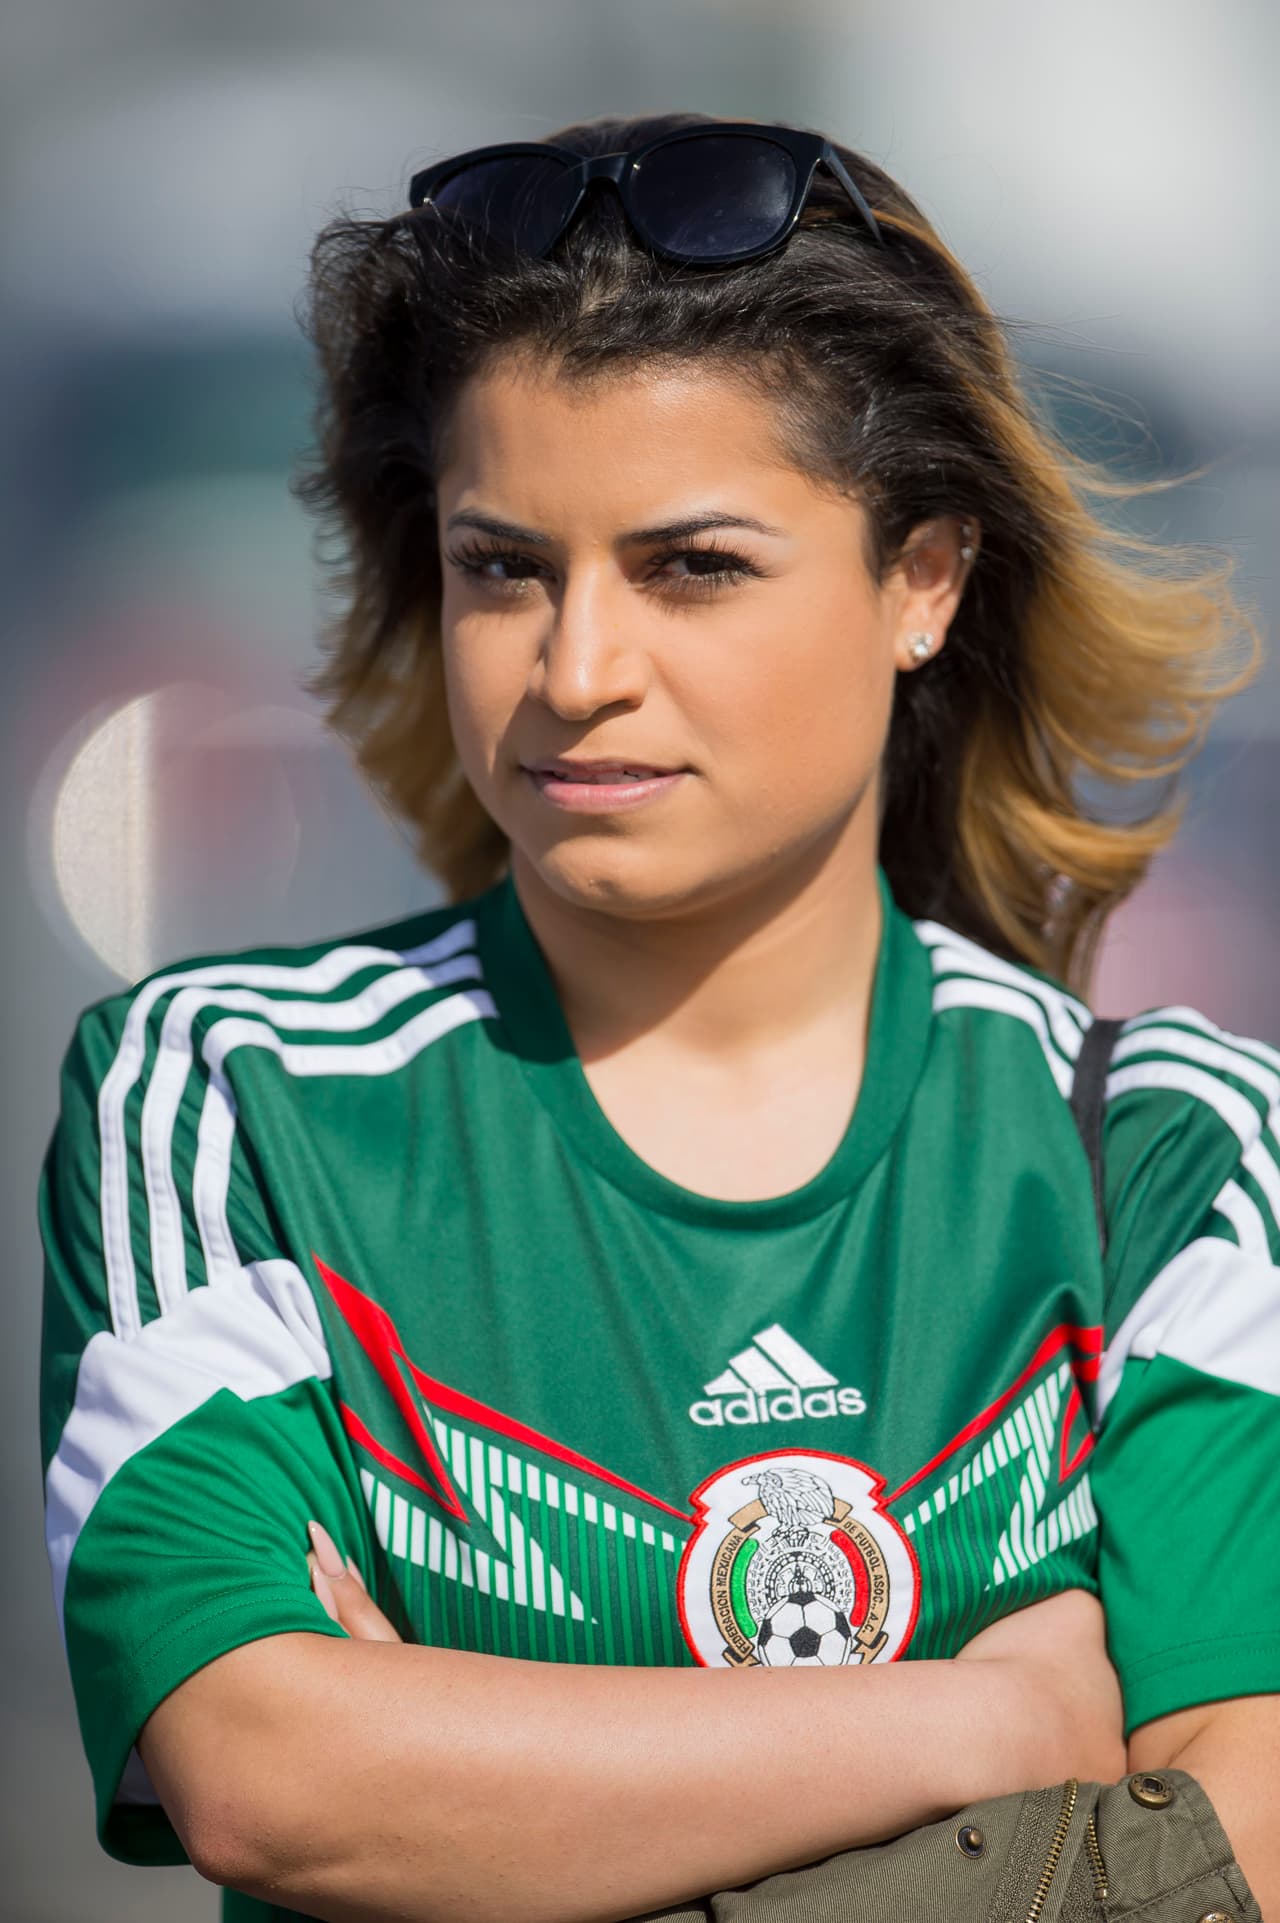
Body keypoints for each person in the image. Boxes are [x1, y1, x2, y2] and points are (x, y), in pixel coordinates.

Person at [37, 109, 1279, 1923]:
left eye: (694, 566)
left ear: (923, 581)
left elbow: (1238, 1844)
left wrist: (488, 1800)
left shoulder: (1172, 1148)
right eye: (503, 566)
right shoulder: (227, 1090)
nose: (577, 671)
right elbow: (259, 1772)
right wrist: (990, 1730)